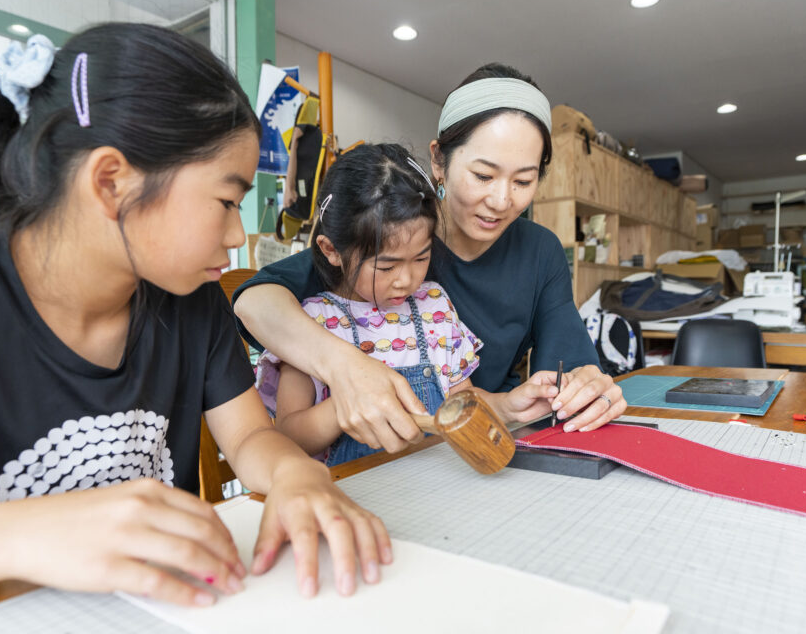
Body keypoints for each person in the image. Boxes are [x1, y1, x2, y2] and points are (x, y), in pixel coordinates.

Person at [0, 23, 390, 614]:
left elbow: (247, 437)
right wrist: (17, 534)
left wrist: (295, 475)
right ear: (111, 181)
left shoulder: (191, 302)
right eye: (225, 202)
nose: (238, 234)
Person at [233, 64, 627, 453]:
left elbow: (568, 369)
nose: (503, 201)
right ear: (439, 160)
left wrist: (586, 386)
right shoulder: (388, 236)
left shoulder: (540, 251)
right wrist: (348, 368)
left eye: (523, 181)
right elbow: (254, 302)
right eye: (484, 176)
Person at [260, 143, 558, 466]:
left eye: (421, 257)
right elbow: (289, 435)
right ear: (332, 250)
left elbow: (462, 401)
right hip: (355, 492)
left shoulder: (434, 306)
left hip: (438, 481)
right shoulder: (312, 323)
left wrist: (509, 404)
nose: (406, 279)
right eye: (386, 266)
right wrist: (346, 402)